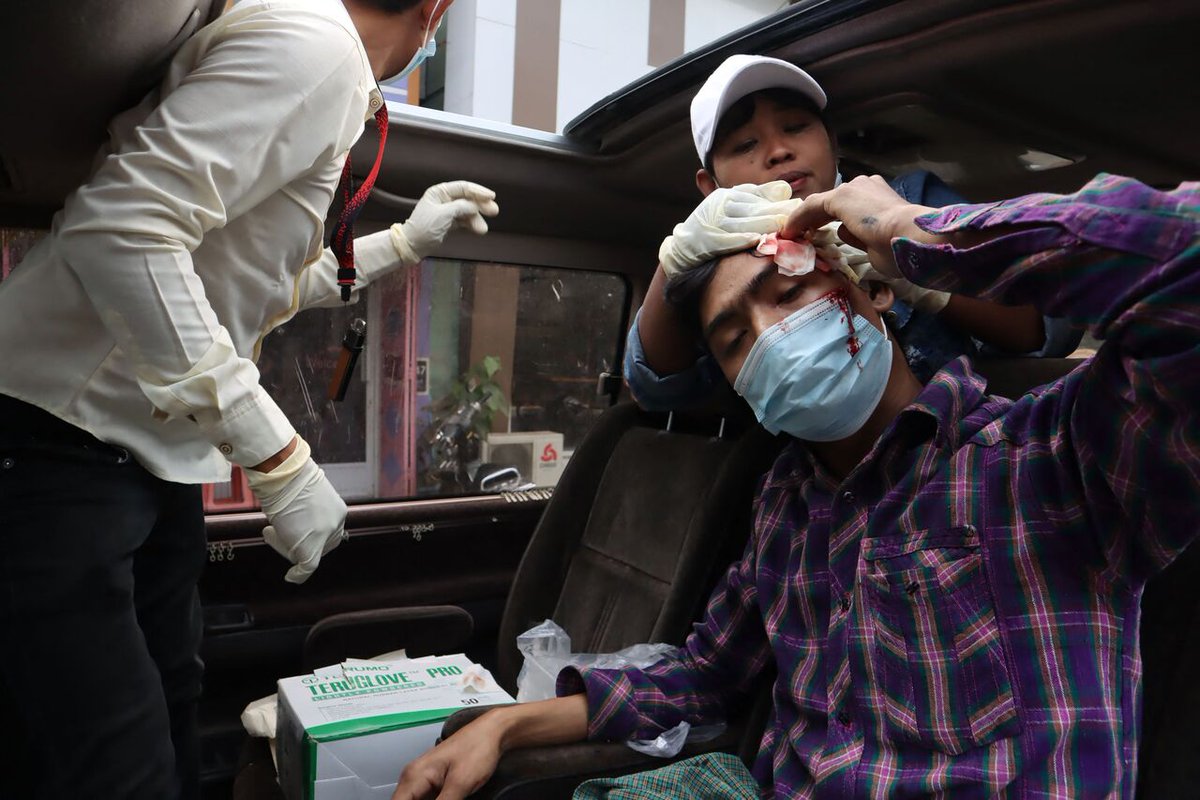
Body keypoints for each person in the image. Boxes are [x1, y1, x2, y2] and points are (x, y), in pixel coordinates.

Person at [390, 171, 1199, 798]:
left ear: (871, 292)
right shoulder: (787, 504)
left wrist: (909, 231)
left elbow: (1184, 255)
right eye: (737, 339)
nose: (771, 341)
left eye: (787, 294)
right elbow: (706, 671)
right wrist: (504, 724)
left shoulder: (1051, 453)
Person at [0, 1, 497, 797]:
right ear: (434, 10)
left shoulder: (318, 60)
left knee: (171, 724)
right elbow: (121, 230)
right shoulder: (320, 51)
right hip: (58, 439)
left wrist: (401, 243)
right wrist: (278, 457)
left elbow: (245, 284)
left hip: (136, 457)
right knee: (120, 771)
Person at [625, 55, 1080, 410]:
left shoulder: (910, 201)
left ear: (832, 143)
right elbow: (658, 389)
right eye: (745, 145)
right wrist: (678, 259)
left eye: (796, 127)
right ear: (710, 187)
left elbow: (1040, 329)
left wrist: (920, 265)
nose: (779, 150)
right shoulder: (722, 268)